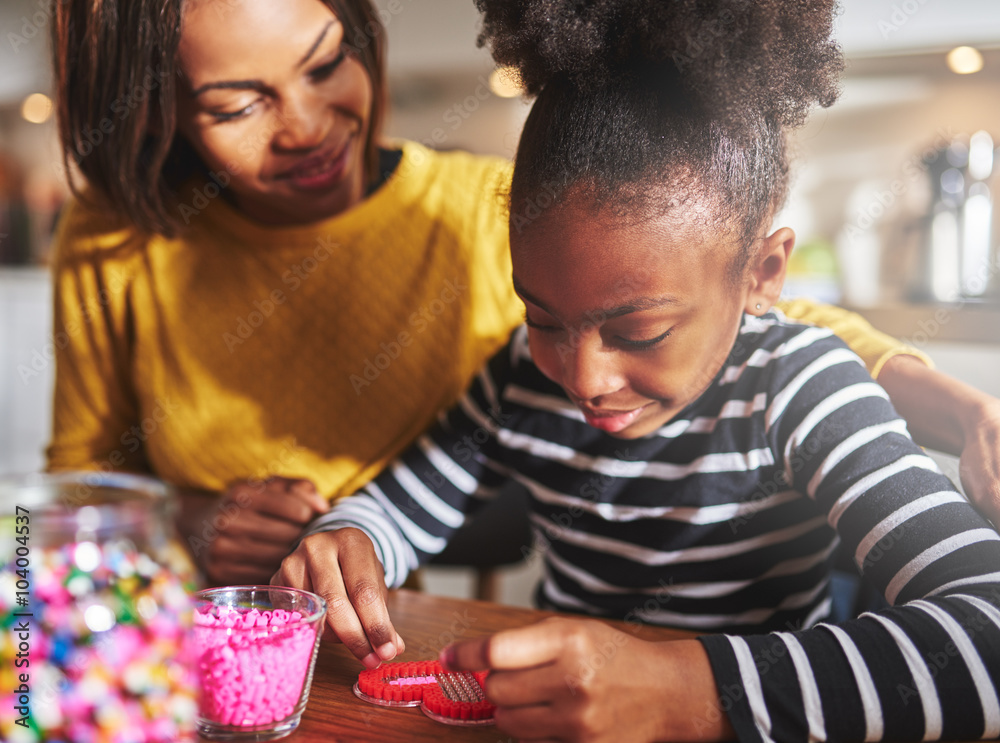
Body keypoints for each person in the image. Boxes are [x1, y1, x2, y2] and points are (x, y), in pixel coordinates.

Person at [46, 0, 999, 592]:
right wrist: (206, 521)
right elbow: (51, 506)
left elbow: (764, 326)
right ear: (163, 110)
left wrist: (959, 410)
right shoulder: (112, 237)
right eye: (236, 103)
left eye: (327, 59)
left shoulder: (486, 210)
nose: (307, 125)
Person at [275, 1, 1000, 740]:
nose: (582, 375)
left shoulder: (802, 387)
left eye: (639, 330)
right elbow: (395, 510)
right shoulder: (520, 375)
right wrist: (348, 537)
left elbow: (991, 624)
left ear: (762, 272)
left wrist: (688, 689)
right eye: (544, 316)